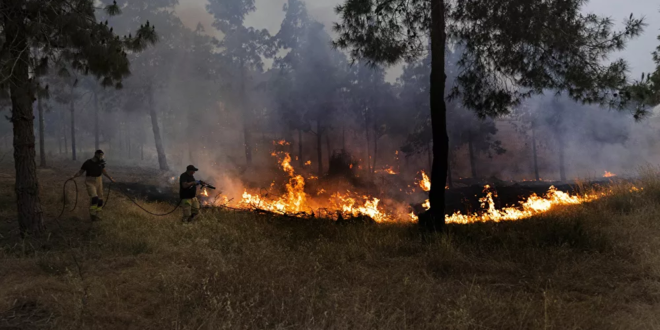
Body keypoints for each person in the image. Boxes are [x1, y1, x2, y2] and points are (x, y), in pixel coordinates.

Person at [71, 150, 116, 221]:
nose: (101, 157)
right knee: (94, 197)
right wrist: (74, 176)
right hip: (90, 181)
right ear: (96, 154)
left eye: (102, 155)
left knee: (100, 199)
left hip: (99, 180)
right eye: (100, 155)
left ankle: (97, 214)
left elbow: (103, 171)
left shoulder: (101, 163)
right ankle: (92, 214)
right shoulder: (87, 163)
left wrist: (110, 178)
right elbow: (80, 172)